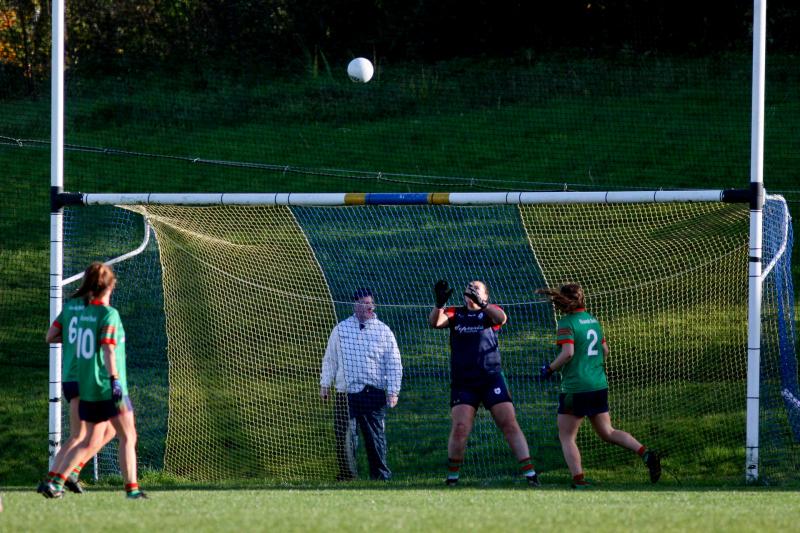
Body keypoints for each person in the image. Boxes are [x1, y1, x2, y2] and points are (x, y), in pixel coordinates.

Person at [538, 283, 661, 488]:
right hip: (598, 384)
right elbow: (605, 350)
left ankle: (579, 481)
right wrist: (591, 366)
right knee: (607, 432)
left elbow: (567, 353)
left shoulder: (566, 323)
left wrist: (549, 369)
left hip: (576, 387)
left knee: (566, 436)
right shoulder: (593, 320)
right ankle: (645, 453)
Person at [40, 262, 147, 499]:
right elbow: (108, 349)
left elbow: (53, 336)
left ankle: (60, 479)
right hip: (104, 383)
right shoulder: (107, 314)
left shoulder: (77, 311)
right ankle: (130, 490)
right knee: (115, 436)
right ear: (109, 285)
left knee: (94, 436)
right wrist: (115, 379)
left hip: (83, 381)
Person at [429, 279, 540, 486]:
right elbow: (435, 323)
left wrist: (483, 304)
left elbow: (502, 318)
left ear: (486, 295)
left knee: (509, 424)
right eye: (468, 287)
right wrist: (439, 304)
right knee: (460, 427)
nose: (471, 290)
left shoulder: (490, 312)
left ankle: (530, 474)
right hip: (464, 382)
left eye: (476, 288)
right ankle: (452, 478)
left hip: (491, 378)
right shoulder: (455, 313)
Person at [39, 289, 116, 496]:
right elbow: (106, 346)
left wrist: (72, 340)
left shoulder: (70, 309)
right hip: (88, 377)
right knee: (82, 435)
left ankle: (69, 472)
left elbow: (50, 336)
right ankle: (55, 481)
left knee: (108, 430)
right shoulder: (97, 312)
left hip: (71, 377)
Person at [320, 288, 403, 481]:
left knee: (375, 437)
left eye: (371, 303)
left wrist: (393, 391)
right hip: (345, 392)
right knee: (344, 437)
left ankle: (380, 476)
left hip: (372, 393)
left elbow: (394, 363)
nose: (369, 307)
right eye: (365, 303)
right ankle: (347, 476)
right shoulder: (341, 329)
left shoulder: (383, 331)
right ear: (355, 305)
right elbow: (330, 359)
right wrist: (325, 384)